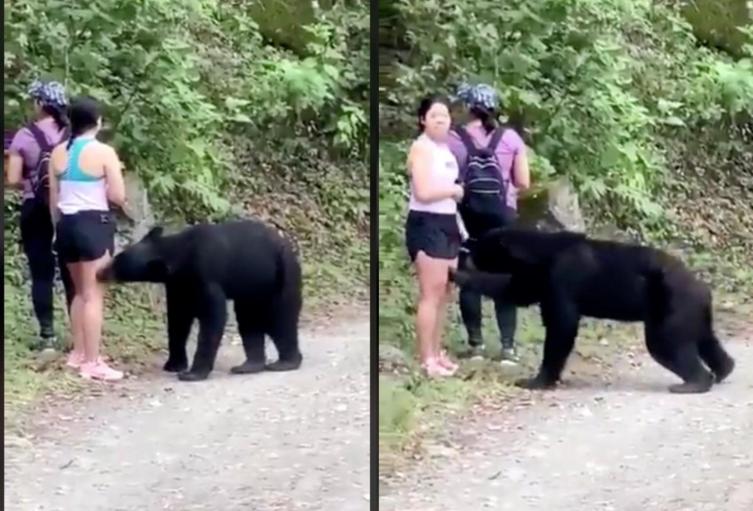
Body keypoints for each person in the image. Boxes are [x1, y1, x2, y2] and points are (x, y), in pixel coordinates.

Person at [447, 83, 531, 365]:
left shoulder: (453, 139)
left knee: (470, 279)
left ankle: (476, 346)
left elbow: (446, 177)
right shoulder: (511, 138)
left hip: (468, 218)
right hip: (504, 217)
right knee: (505, 280)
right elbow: (523, 182)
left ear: (469, 107)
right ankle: (508, 348)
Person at [48, 96, 127, 381]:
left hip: (66, 226)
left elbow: (54, 199)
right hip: (93, 224)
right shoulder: (104, 152)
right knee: (94, 295)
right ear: (97, 122)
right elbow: (118, 195)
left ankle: (78, 354)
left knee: (79, 292)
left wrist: (57, 228)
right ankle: (93, 362)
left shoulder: (57, 153)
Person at [5, 80, 75, 350]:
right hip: (68, 208)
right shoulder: (72, 135)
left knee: (41, 272)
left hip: (35, 208)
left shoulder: (25, 135)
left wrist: (29, 176)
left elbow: (12, 178)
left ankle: (47, 335)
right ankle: (80, 334)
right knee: (72, 271)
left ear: (40, 104)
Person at [405, 94, 465, 377]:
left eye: (444, 114)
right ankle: (426, 358)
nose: (441, 119)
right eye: (434, 115)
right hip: (426, 223)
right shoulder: (421, 148)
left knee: (445, 292)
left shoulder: (446, 149)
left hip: (448, 221)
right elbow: (424, 192)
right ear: (422, 120)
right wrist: (454, 190)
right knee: (431, 292)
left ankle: (438, 353)